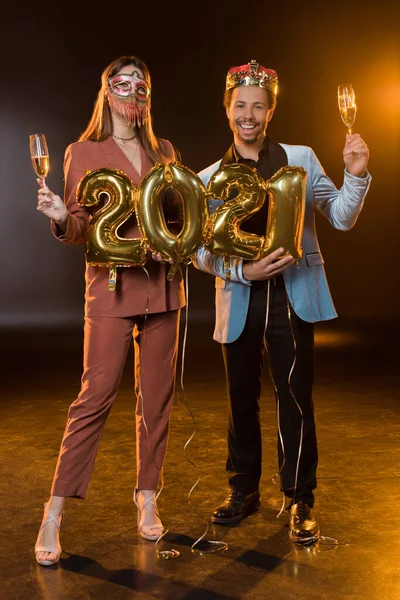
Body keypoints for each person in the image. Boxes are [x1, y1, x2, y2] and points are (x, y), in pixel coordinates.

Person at [193, 60, 370, 543]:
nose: (248, 115)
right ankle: (244, 491)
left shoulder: (301, 157)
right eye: (239, 106)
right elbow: (200, 250)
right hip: (241, 298)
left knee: (295, 397)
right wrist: (242, 270)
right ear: (227, 110)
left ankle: (299, 498)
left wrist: (356, 175)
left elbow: (340, 217)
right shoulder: (209, 177)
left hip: (294, 299)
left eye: (258, 106)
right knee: (239, 400)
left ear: (270, 111)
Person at [34, 55, 185, 566]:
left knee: (156, 400)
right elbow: (79, 227)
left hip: (164, 292)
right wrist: (60, 216)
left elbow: (179, 221)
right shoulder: (83, 151)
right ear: (107, 92)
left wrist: (175, 244)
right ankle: (53, 513)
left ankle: (147, 496)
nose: (133, 91)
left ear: (148, 95)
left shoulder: (165, 151)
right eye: (123, 83)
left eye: (141, 84)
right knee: (94, 397)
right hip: (111, 292)